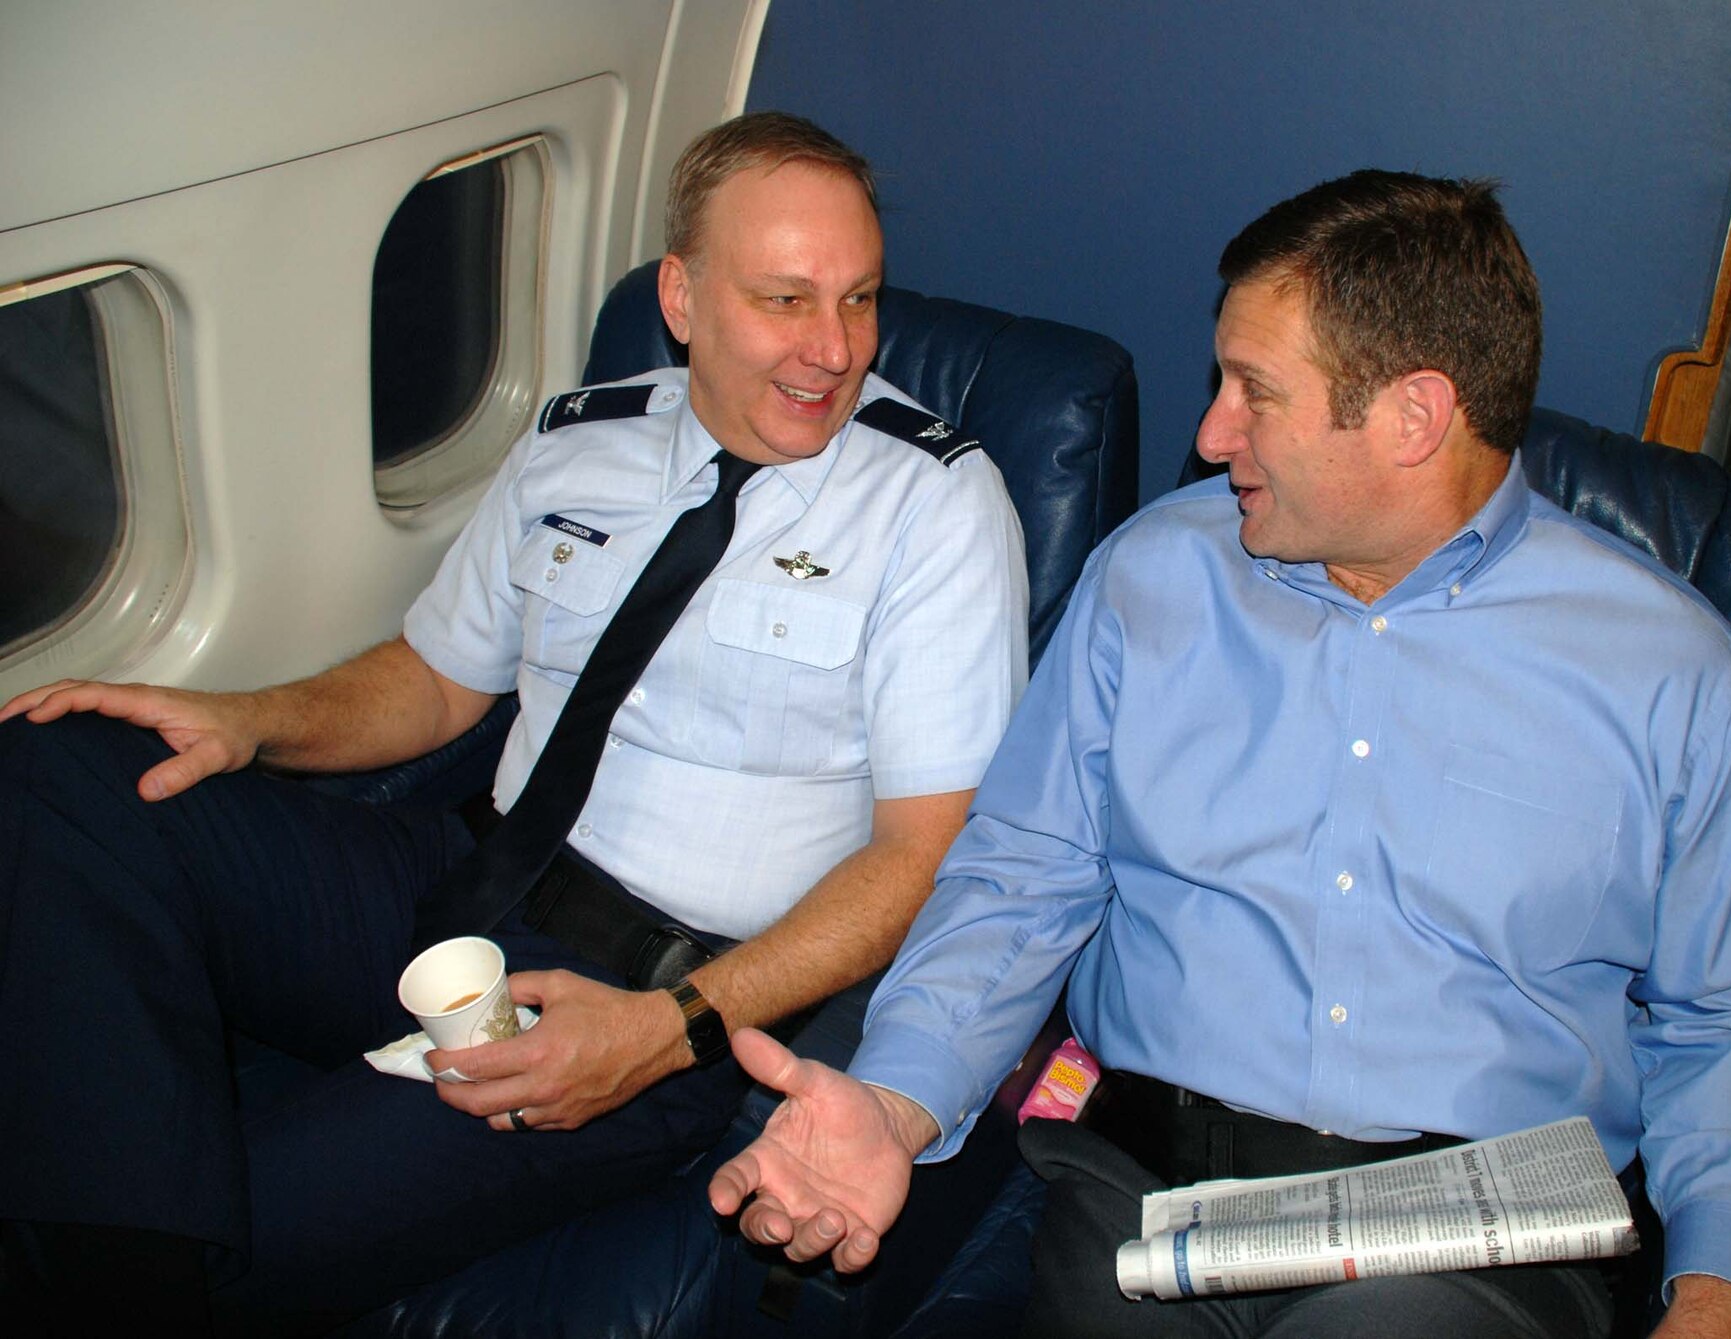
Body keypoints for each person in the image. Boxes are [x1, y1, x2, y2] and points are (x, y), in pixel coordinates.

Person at [707, 171, 1731, 1339]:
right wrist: (891, 1101)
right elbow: (1020, 878)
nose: (1207, 434)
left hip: (1459, 1242)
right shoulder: (1151, 580)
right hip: (1141, 1200)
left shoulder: (1670, 672)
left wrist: (1722, 1300)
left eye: (1254, 391)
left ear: (1412, 417)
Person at [0, 111, 1027, 1334]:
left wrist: (668, 1031)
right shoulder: (576, 438)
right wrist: (242, 719)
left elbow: (921, 855)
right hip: (454, 875)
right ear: (683, 297)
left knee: (226, 1238)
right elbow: (436, 682)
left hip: (646, 989)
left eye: (858, 300)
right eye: (785, 300)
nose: (832, 349)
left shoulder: (934, 506)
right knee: (58, 772)